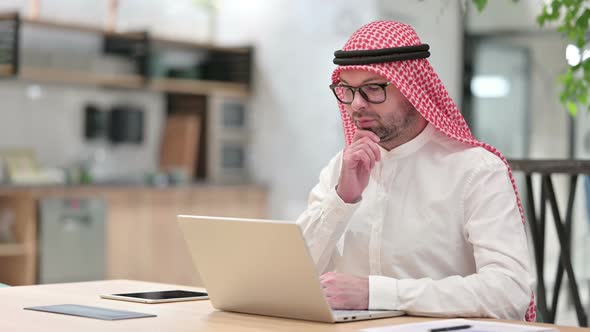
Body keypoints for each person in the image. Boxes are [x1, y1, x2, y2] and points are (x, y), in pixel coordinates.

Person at [296, 21, 536, 321]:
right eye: (347, 90)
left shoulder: (476, 170)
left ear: (413, 88)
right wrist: (341, 199)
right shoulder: (340, 168)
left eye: (373, 88)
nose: (357, 104)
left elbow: (509, 292)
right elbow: (296, 275)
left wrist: (376, 294)